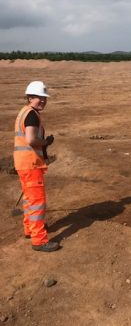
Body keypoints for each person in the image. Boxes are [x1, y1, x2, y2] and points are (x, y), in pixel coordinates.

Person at [13, 81, 59, 252]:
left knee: (30, 200)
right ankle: (39, 240)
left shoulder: (25, 112)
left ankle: (30, 230)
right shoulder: (31, 115)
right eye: (39, 98)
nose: (42, 101)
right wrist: (45, 142)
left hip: (24, 163)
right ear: (29, 97)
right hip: (30, 164)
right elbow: (31, 140)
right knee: (37, 202)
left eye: (44, 98)